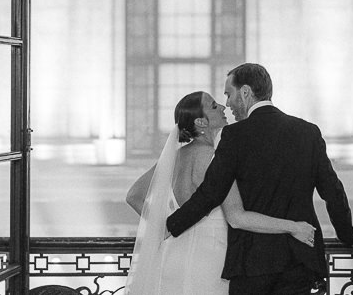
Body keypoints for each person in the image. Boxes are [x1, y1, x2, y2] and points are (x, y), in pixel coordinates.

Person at [166, 64, 353, 295]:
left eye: (229, 94)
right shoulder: (308, 132)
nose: (227, 103)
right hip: (300, 258)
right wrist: (347, 236)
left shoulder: (234, 136)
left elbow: (211, 193)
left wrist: (169, 226)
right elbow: (333, 191)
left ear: (245, 92)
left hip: (251, 262)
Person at [125, 90, 316, 295]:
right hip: (209, 262)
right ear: (201, 122)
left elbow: (134, 196)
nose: (224, 108)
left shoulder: (175, 157)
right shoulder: (215, 158)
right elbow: (237, 218)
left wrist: (162, 228)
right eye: (214, 106)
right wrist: (293, 227)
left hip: (171, 257)